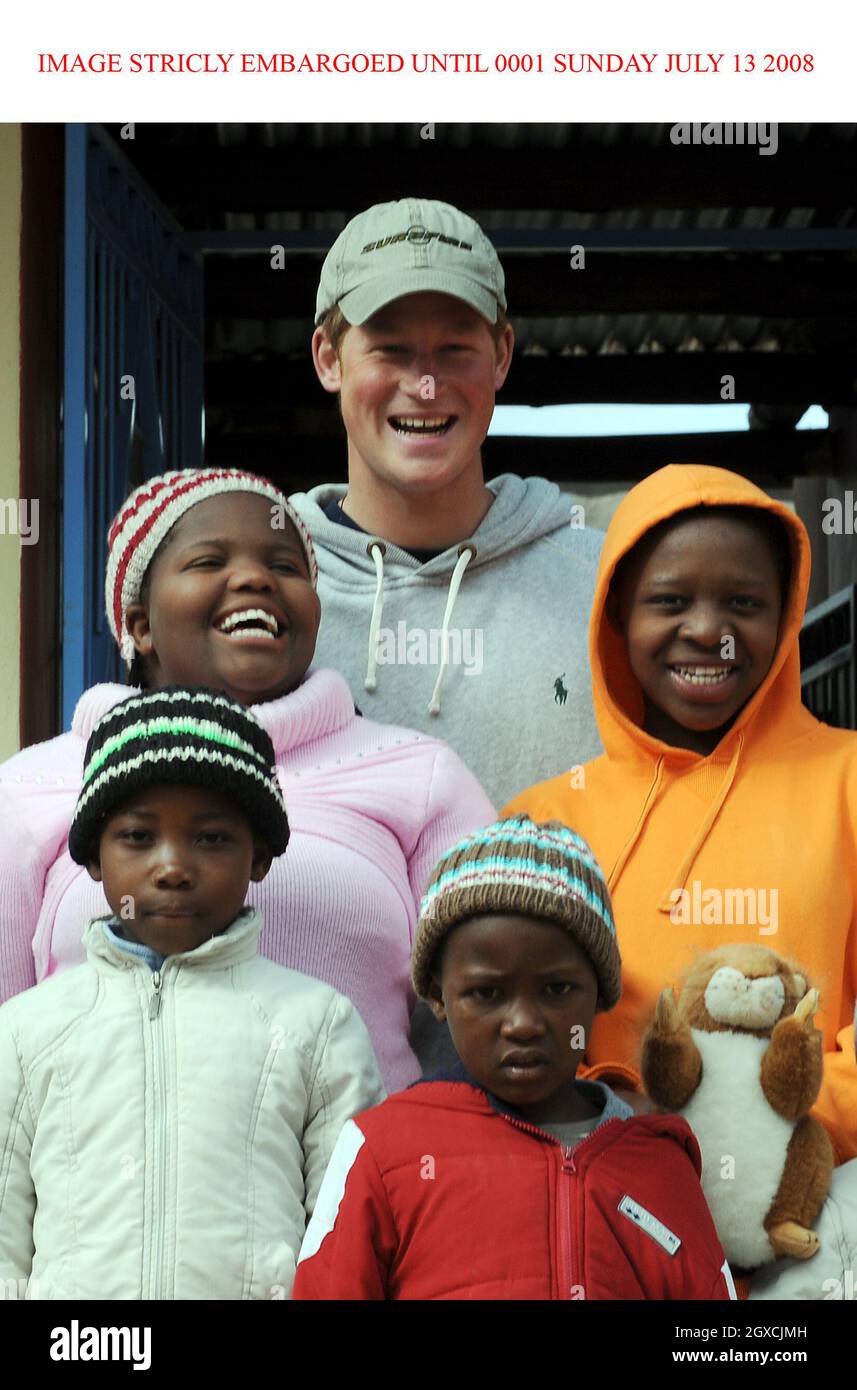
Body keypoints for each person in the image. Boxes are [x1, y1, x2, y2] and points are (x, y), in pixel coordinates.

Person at [0, 467, 494, 1092]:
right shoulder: (31, 788)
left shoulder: (421, 777)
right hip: (97, 1186)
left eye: (286, 566)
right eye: (208, 560)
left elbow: (497, 1000)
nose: (256, 578)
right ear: (140, 624)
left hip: (356, 1185)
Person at [506, 463, 857, 1162]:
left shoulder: (848, 779)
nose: (707, 631)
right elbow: (515, 1021)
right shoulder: (543, 819)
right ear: (615, 616)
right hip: (605, 1190)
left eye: (744, 604)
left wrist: (770, 1135)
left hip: (809, 1204)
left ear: (785, 611)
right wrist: (609, 1121)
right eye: (667, 602)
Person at [0, 687, 384, 1300]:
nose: (172, 866)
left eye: (210, 839)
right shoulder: (25, 1031)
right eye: (137, 837)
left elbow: (349, 1230)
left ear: (258, 857)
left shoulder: (316, 1025)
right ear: (94, 858)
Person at [291, 816, 735, 1301]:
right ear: (439, 997)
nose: (523, 1023)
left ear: (601, 995)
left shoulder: (659, 1164)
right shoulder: (382, 1150)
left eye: (557, 989)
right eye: (486, 993)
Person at [289, 197, 603, 809]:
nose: (425, 383)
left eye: (455, 348)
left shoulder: (603, 583)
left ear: (503, 357)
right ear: (330, 359)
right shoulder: (269, 591)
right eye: (391, 349)